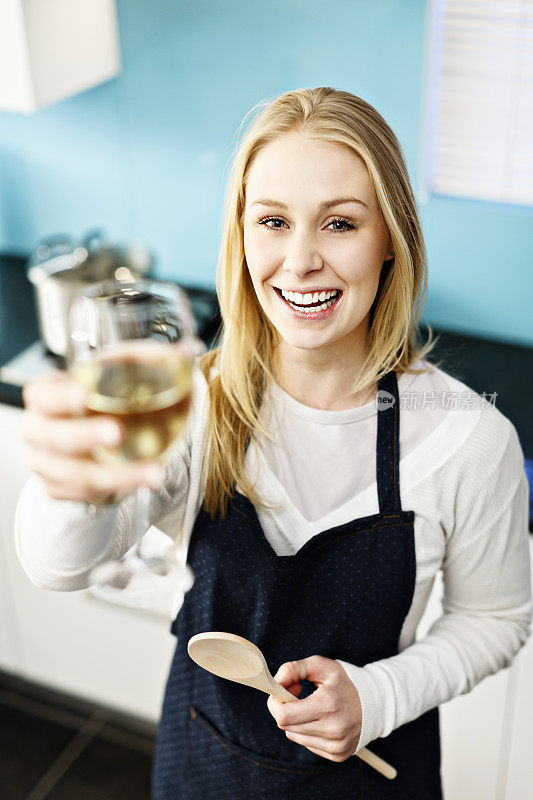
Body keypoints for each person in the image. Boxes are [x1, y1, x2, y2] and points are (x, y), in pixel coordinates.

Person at [16, 87, 531, 799]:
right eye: (273, 221)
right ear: (242, 235)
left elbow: (494, 619)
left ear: (390, 240)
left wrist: (377, 696)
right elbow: (61, 569)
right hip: (206, 764)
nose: (299, 260)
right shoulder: (189, 406)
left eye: (340, 224)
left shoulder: (470, 438)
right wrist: (71, 492)